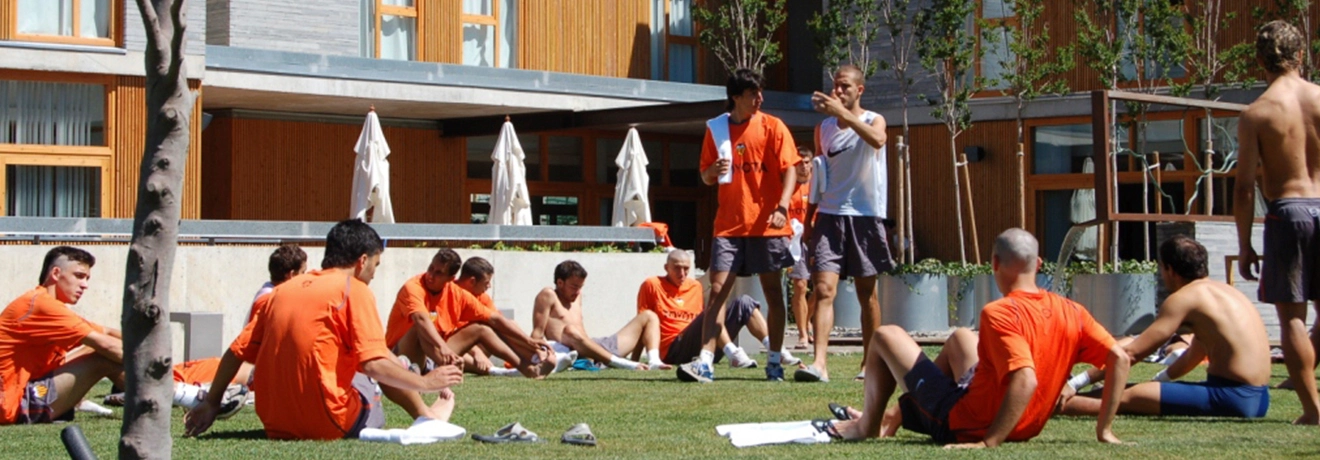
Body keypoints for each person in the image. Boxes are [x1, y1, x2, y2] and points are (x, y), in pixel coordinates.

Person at [826, 229, 1128, 447]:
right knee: (961, 337)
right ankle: (893, 417)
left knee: (884, 335)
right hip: (1025, 425)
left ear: (994, 263)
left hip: (966, 422)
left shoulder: (999, 312)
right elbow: (1119, 357)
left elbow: (1026, 379)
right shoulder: (1073, 311)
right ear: (1038, 264)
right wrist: (1104, 430)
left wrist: (989, 442)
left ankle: (867, 427)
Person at [184, 219, 465, 440]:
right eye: (375, 265)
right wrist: (426, 382)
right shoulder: (354, 289)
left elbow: (235, 353)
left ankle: (422, 404)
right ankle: (428, 416)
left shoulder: (280, 292)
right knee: (377, 363)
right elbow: (374, 364)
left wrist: (211, 403)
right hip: (329, 421)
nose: (373, 274)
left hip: (274, 423)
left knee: (368, 358)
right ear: (362, 261)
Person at [1059, 236, 1271, 419]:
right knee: (1138, 391)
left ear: (1169, 269)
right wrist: (1160, 381)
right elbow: (1194, 355)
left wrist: (1076, 383)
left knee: (1126, 396)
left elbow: (1131, 354)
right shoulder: (1226, 291)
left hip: (1231, 396)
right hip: (1260, 399)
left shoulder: (1185, 298)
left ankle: (1048, 406)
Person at [681, 67, 800, 382]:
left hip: (767, 225)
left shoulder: (773, 126)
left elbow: (790, 168)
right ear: (735, 97)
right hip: (729, 227)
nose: (759, 99)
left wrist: (782, 206)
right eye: (752, 94)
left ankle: (774, 360)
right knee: (718, 291)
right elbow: (705, 176)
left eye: (760, 92)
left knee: (773, 292)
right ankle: (705, 361)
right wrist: (713, 170)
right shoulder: (716, 129)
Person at [1234, 19, 1320, 425]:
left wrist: (1245, 244)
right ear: (1300, 54)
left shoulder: (1257, 113)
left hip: (1289, 212)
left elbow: (1243, 188)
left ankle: (1313, 411)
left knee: (1292, 318)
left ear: (1259, 60)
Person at [795, 64, 893, 384]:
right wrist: (809, 218)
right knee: (823, 289)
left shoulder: (874, 119)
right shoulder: (823, 128)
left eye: (845, 86)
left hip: (864, 215)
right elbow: (820, 173)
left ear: (859, 90)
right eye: (835, 85)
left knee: (867, 293)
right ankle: (819, 364)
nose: (838, 91)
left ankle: (870, 362)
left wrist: (843, 114)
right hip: (829, 214)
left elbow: (878, 140)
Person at [0, 247, 125, 425]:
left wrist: (147, 341)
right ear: (56, 274)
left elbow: (105, 332)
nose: (85, 285)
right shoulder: (41, 305)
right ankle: (161, 397)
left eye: (87, 278)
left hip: (27, 389)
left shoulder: (45, 304)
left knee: (95, 349)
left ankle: (152, 395)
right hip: (13, 404)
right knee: (103, 357)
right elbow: (107, 345)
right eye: (79, 276)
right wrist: (155, 360)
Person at [639, 250, 801, 370]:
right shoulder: (652, 284)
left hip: (703, 348)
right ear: (666, 267)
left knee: (745, 302)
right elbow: (643, 323)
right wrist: (639, 358)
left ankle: (776, 350)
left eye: (686, 269)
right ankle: (733, 354)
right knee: (712, 312)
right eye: (677, 268)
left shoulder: (695, 286)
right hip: (673, 350)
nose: (682, 273)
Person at [421, 253, 566, 378]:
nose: (489, 286)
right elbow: (448, 332)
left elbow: (497, 321)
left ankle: (535, 357)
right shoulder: (445, 293)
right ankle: (508, 370)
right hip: (442, 349)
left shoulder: (479, 297)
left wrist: (531, 343)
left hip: (461, 346)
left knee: (505, 324)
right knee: (480, 330)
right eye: (486, 282)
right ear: (472, 281)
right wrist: (477, 353)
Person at [532, 260, 665, 371]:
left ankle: (654, 362)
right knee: (570, 330)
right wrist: (536, 355)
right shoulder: (548, 295)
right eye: (574, 287)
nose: (578, 292)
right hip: (572, 351)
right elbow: (537, 334)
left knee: (649, 316)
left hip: (594, 346)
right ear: (560, 283)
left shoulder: (577, 296)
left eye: (580, 287)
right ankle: (621, 363)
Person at [788, 145, 816, 351]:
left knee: (823, 287)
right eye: (799, 163)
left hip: (817, 239)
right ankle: (803, 334)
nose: (803, 167)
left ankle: (807, 319)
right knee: (800, 285)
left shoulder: (818, 186)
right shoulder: (787, 187)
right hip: (796, 240)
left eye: (806, 163)